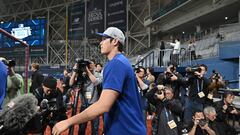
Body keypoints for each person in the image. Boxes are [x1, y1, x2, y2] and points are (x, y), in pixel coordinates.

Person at [52, 27, 146, 135]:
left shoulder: (116, 64)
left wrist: (68, 121)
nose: (100, 43)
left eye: (104, 39)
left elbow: (103, 105)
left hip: (126, 130)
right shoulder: (121, 62)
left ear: (115, 41)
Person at [69, 59, 102, 135]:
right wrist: (75, 71)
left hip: (94, 105)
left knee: (95, 127)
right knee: (82, 127)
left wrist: (88, 72)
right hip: (84, 105)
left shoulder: (96, 74)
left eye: (90, 64)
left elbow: (96, 82)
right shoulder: (81, 75)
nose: (89, 66)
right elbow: (71, 83)